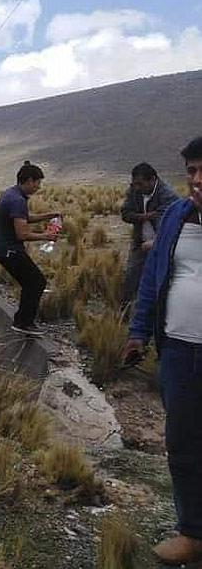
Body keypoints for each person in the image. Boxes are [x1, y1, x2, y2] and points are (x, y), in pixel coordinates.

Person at [123, 136, 202, 565]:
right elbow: (154, 277)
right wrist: (139, 332)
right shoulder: (176, 216)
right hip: (179, 351)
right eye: (192, 171)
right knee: (183, 443)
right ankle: (192, 532)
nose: (197, 179)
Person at [0, 161, 61, 336]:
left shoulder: (11, 194)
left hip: (1, 249)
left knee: (30, 282)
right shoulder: (17, 200)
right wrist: (46, 236)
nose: (38, 187)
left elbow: (23, 218)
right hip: (9, 250)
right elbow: (22, 234)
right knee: (36, 282)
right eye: (37, 183)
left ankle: (22, 320)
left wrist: (49, 215)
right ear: (29, 180)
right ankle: (24, 323)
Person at [120, 162, 179, 308]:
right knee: (131, 275)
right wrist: (147, 216)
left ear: (153, 180)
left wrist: (156, 242)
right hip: (139, 241)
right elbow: (125, 214)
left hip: (163, 244)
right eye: (134, 184)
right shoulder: (134, 191)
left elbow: (169, 224)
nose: (137, 188)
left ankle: (161, 313)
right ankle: (124, 310)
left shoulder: (168, 195)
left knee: (163, 278)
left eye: (140, 184)